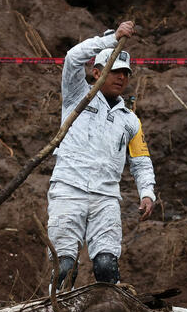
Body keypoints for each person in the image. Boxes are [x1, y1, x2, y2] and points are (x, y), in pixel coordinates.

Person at [47, 20, 156, 292]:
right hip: (68, 189)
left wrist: (147, 192)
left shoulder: (130, 120)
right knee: (64, 266)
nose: (122, 77)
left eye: (126, 73)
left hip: (105, 197)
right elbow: (73, 58)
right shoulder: (76, 96)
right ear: (97, 72)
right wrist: (111, 39)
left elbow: (140, 160)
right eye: (115, 71)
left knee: (107, 266)